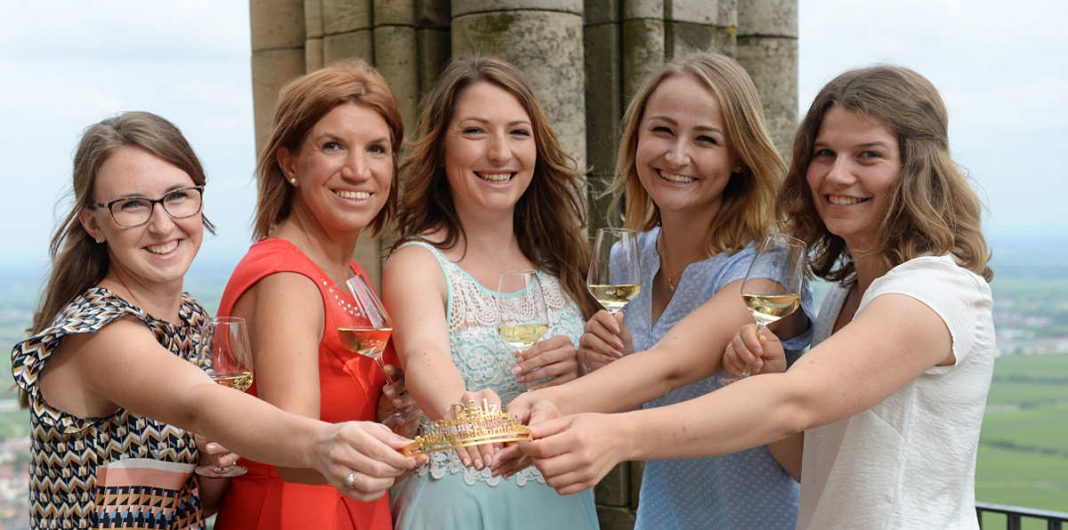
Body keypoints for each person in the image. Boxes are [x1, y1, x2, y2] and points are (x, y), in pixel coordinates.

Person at [512, 66, 995, 529]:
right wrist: (767, 375)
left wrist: (611, 436)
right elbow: (807, 462)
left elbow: (791, 401)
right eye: (824, 154)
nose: (837, 176)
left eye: (867, 155)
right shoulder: (846, 296)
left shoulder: (933, 290)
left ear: (917, 169)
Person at [10, 111, 422, 530]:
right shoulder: (98, 330)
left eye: (177, 196)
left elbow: (193, 503)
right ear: (94, 223)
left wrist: (209, 465)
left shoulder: (191, 320)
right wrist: (324, 442)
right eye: (132, 205)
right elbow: (196, 402)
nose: (162, 223)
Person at [572, 52, 813, 529]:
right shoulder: (626, 259)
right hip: (665, 517)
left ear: (739, 157)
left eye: (705, 139)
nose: (677, 155)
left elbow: (671, 367)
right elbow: (642, 396)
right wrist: (594, 365)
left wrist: (534, 413)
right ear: (636, 137)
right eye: (662, 130)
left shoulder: (764, 272)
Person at [384, 56, 600, 529]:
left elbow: (604, 391)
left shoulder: (564, 260)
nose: (501, 153)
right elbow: (423, 354)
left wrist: (583, 368)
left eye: (518, 133)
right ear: (441, 147)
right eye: (476, 131)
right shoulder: (417, 262)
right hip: (461, 507)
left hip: (562, 504)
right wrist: (463, 409)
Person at [213, 60, 419, 530]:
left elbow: (345, 406)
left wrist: (390, 416)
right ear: (289, 164)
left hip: (353, 505)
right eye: (332, 146)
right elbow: (291, 450)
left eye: (377, 149)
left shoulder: (348, 273)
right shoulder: (288, 279)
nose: (358, 169)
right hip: (296, 513)